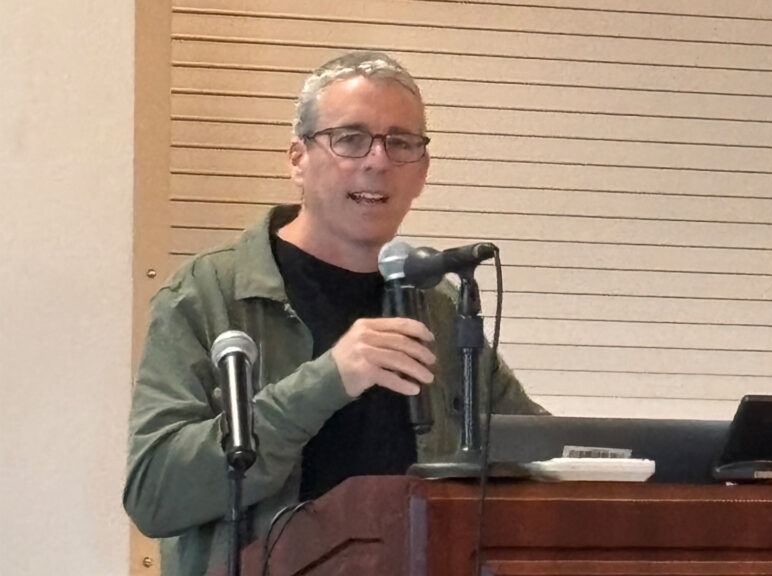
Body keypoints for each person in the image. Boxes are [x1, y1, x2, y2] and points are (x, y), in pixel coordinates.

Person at [123, 51, 545, 576]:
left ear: (423, 171)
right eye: (350, 138)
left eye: (401, 143)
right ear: (297, 158)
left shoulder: (439, 309)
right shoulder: (207, 295)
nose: (378, 160)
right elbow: (154, 494)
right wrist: (327, 380)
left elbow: (539, 457)